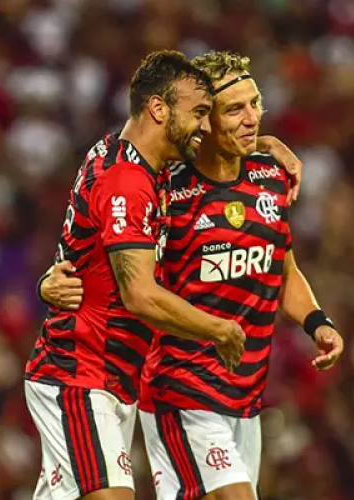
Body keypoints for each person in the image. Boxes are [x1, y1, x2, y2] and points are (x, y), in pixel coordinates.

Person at [42, 51, 343, 500]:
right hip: (179, 387)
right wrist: (51, 278)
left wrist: (318, 323)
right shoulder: (168, 184)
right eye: (232, 109)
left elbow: (284, 267)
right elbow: (116, 250)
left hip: (245, 397)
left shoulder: (271, 178)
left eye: (255, 104)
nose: (251, 118)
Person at [24, 50, 248, 500]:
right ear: (159, 108)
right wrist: (219, 329)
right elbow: (140, 296)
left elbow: (83, 253)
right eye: (199, 113)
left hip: (111, 380)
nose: (206, 126)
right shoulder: (126, 179)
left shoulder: (133, 160)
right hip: (78, 375)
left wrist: (275, 149)